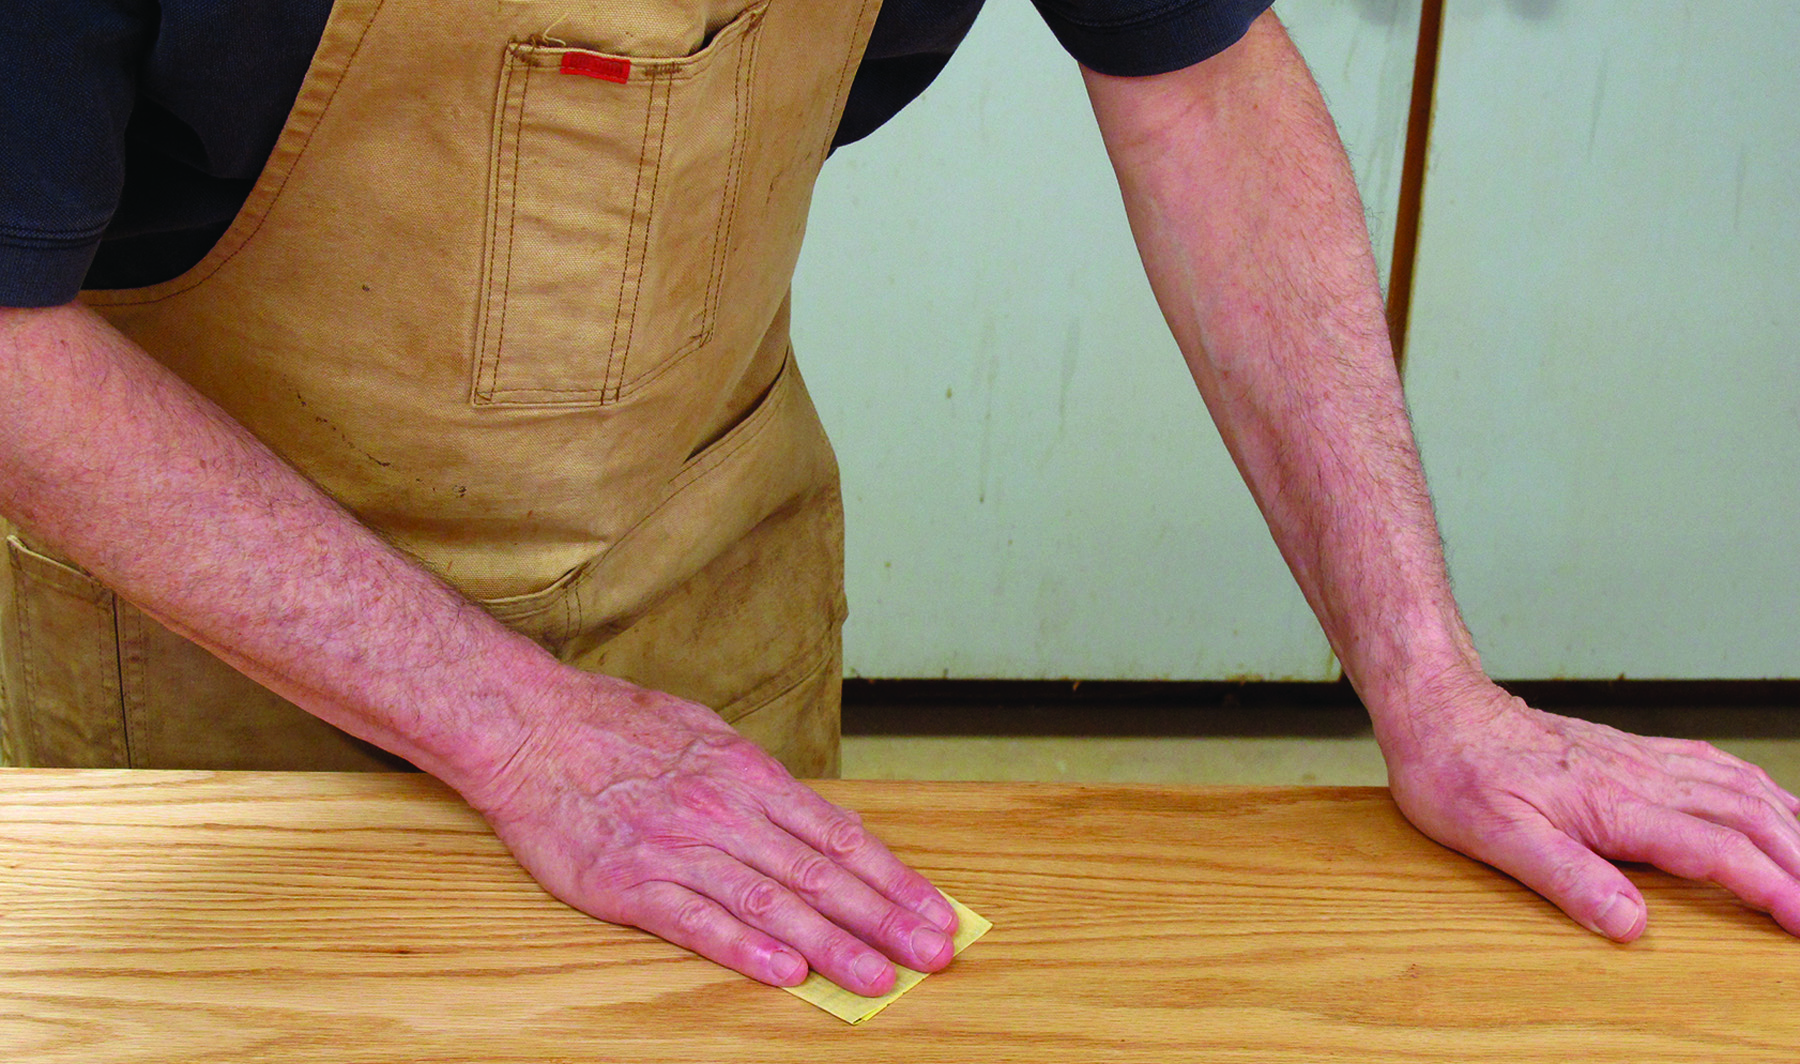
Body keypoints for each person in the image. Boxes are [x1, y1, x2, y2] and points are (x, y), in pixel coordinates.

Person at [3, 0, 1796, 1000]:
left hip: (701, 599)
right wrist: (520, 725)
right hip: (195, 665)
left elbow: (1196, 84)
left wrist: (1434, 685)